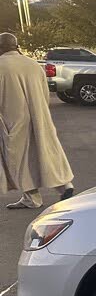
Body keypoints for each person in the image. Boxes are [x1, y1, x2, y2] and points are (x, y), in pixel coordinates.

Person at [0, 32, 74, 209]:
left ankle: (32, 198)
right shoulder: (33, 64)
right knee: (47, 153)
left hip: (14, 120)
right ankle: (65, 186)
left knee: (20, 160)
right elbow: (45, 94)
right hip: (40, 116)